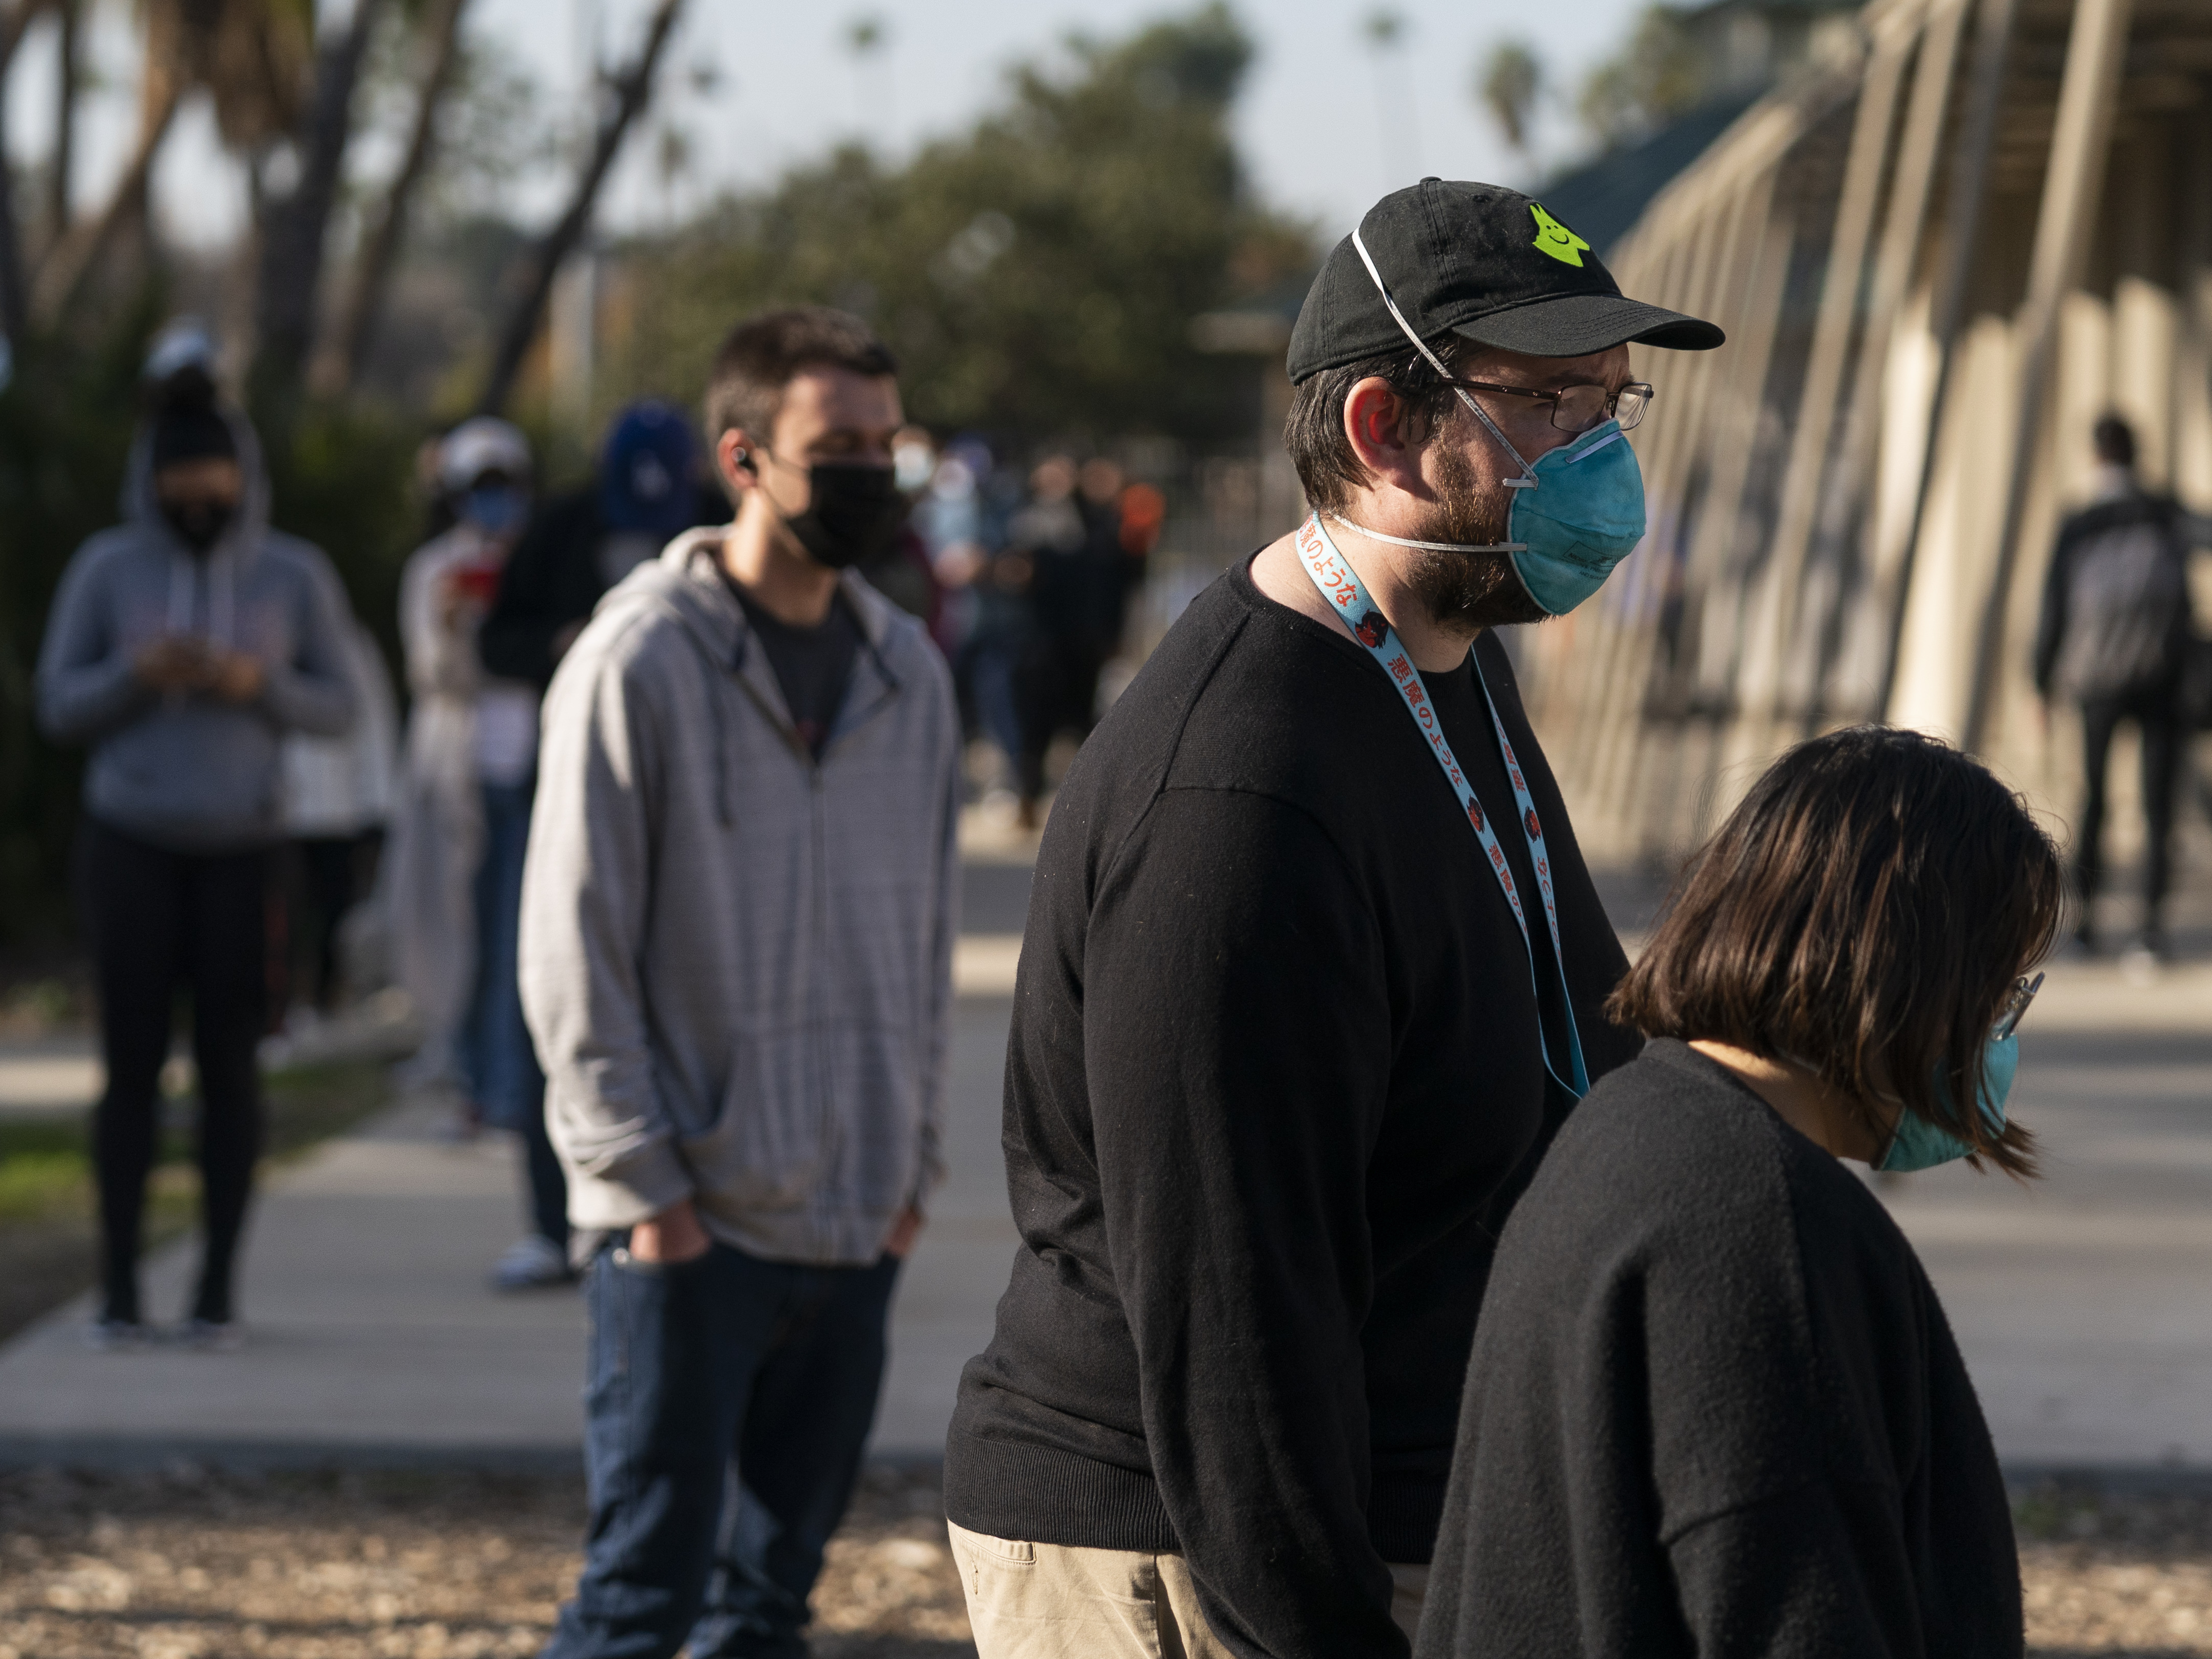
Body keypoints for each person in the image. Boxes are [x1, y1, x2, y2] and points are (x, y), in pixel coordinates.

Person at [941, 178, 1722, 1658]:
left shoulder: (1446, 651)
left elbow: (1581, 1039)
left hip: (1423, 1500)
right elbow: (1234, 1319)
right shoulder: (1235, 804)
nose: (1600, 452)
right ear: (1377, 428)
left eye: (1616, 403)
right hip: (1198, 1550)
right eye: (1551, 403)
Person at [1415, 726, 2059, 1657]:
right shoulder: (1762, 1233)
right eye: (1999, 994)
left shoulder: (1631, 1125)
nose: (1997, 1034)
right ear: (1914, 974)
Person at [522, 306, 961, 1659]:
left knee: (765, 1606)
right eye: (836, 443)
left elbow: (927, 939)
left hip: (852, 1227)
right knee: (637, 1597)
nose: (869, 473)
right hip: (690, 1227)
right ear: (744, 457)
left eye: (885, 445)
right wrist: (643, 1190)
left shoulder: (908, 672)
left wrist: (909, 1172)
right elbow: (569, 945)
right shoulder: (638, 658)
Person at [35, 321, 356, 1348]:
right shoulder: (107, 567)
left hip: (245, 848)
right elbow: (56, 702)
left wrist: (257, 684)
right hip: (130, 840)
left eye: (215, 478)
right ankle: (121, 1285)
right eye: (183, 482)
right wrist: (139, 678)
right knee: (130, 1067)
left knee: (232, 1070)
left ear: (242, 474)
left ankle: (217, 1283)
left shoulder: (293, 575)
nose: (199, 498)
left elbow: (343, 703)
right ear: (155, 482)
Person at [383, 418, 535, 1103]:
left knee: (514, 934)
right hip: (455, 768)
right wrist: (451, 625)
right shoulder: (433, 570)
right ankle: (459, 1060)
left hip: (524, 761)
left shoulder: (537, 561)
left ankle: (502, 1081)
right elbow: (433, 672)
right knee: (452, 929)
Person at [2032, 413, 2206, 963]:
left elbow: (2053, 606)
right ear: (2137, 454)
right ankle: (2149, 932)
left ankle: (2085, 926)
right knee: (2158, 807)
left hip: (2095, 678)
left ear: (2095, 456)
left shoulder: (2079, 522)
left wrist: (2040, 681)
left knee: (2095, 800)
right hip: (2163, 679)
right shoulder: (2164, 513)